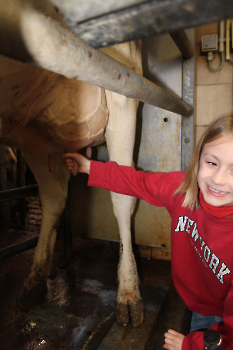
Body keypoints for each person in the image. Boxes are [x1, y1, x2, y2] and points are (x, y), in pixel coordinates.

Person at [63, 114, 233, 350]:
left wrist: (191, 345)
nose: (219, 179)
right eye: (212, 163)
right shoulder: (183, 190)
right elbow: (138, 182)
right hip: (196, 302)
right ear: (198, 159)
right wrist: (89, 167)